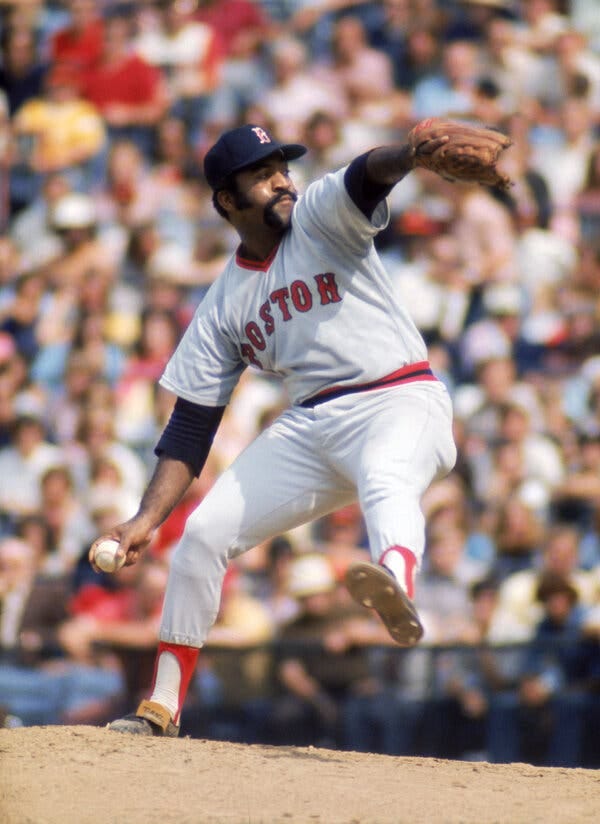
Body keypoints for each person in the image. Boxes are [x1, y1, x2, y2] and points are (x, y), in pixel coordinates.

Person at [91, 120, 458, 737]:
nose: (282, 181)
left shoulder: (317, 215)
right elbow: (191, 425)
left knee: (386, 476)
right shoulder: (223, 302)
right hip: (311, 425)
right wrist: (145, 521)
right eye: (262, 175)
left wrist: (411, 154)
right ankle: (162, 706)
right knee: (203, 535)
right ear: (227, 201)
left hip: (401, 397)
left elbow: (368, 174)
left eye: (282, 167)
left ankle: (394, 579)